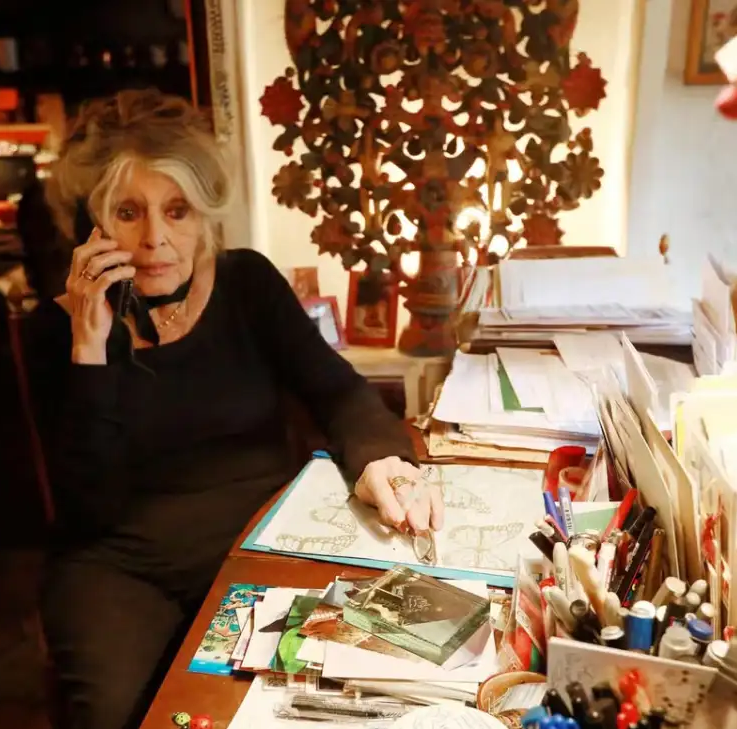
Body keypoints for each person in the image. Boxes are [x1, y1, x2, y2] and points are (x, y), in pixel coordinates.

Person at [29, 88, 445, 729]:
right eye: (128, 213)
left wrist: (381, 460)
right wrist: (89, 346)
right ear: (92, 223)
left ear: (205, 214)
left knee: (327, 693)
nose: (155, 239)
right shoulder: (53, 331)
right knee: (120, 715)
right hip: (117, 566)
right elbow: (88, 507)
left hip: (260, 538)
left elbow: (337, 390)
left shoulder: (247, 282)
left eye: (177, 210)